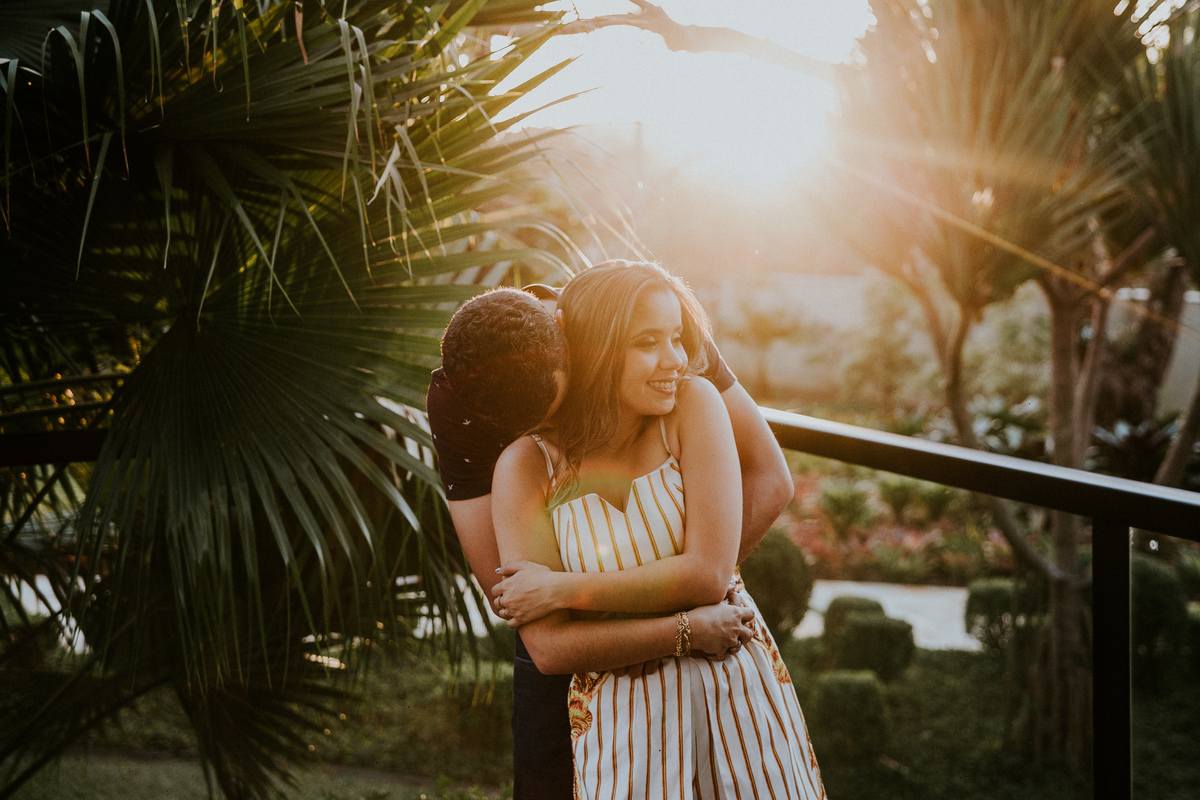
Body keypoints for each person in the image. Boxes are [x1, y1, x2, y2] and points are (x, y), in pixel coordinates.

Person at [427, 276, 794, 798]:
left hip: (721, 662)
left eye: (559, 403)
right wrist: (666, 619)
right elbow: (521, 601)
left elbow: (768, 482)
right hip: (598, 691)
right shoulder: (477, 411)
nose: (552, 429)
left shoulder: (648, 317)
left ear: (575, 343)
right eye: (528, 426)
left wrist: (679, 591)